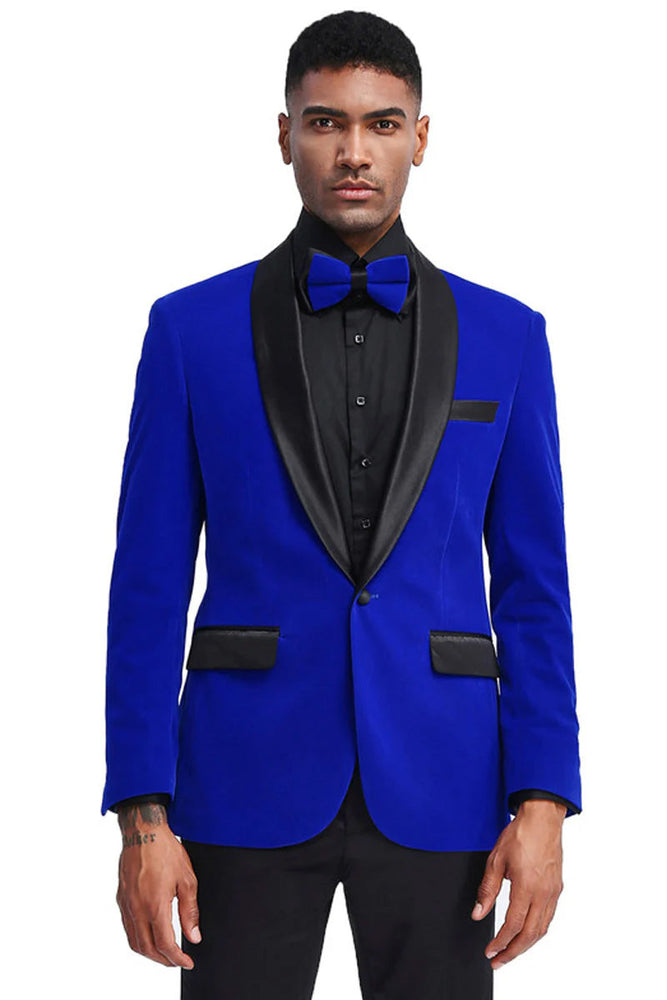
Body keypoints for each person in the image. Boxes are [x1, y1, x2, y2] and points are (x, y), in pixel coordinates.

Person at [101, 11, 582, 999]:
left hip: (446, 781)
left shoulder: (508, 336)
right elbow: (145, 588)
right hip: (241, 777)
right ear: (284, 135)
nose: (353, 151)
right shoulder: (189, 332)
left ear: (420, 137)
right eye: (325, 122)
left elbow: (535, 588)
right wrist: (142, 817)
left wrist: (544, 800)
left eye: (381, 123)